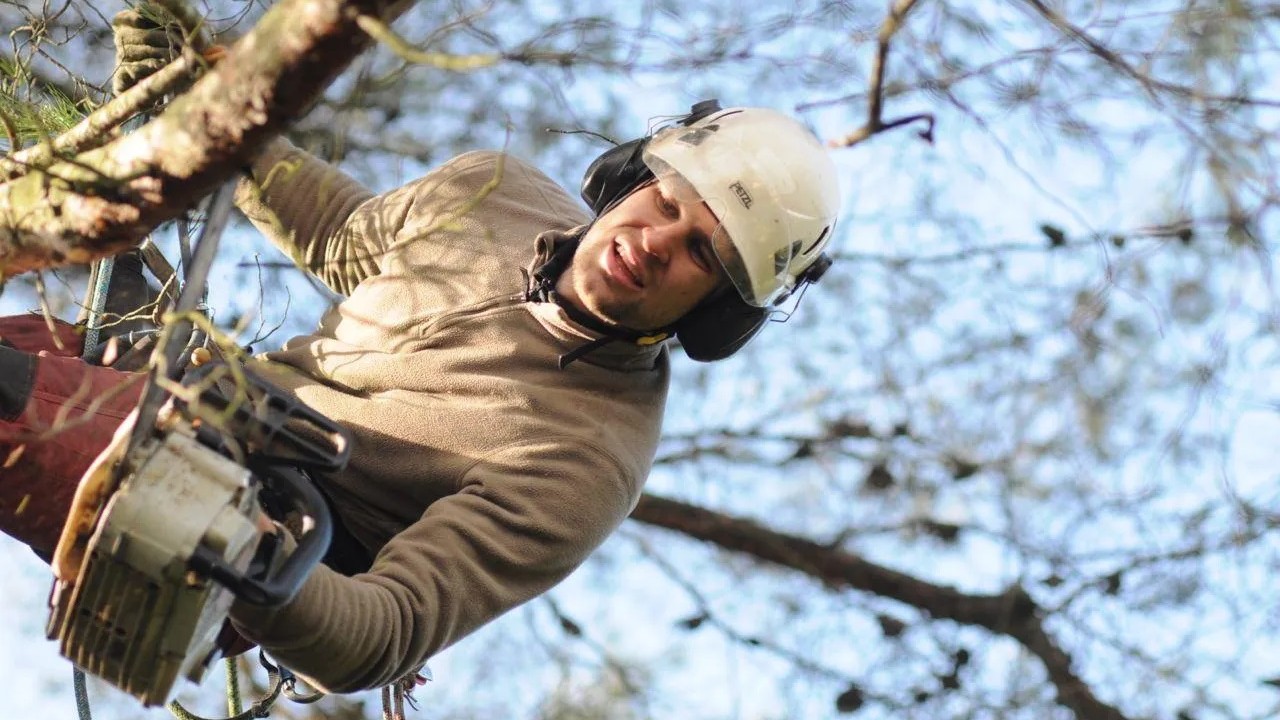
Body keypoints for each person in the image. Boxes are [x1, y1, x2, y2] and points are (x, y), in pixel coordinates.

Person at [0, 5, 842, 695]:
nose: (656, 241)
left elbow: (388, 630)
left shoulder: (585, 463)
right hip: (180, 383)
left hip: (240, 502)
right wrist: (198, 104)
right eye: (670, 200)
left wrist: (247, 549)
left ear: (715, 311)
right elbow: (340, 233)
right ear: (634, 174)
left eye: (700, 252)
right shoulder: (495, 193)